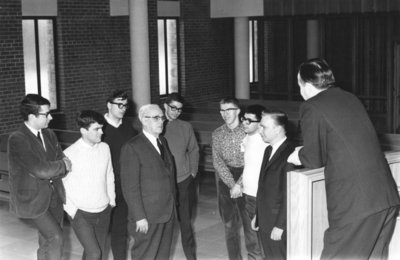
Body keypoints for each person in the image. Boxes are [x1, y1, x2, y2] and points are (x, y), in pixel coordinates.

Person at [287, 58, 400, 259]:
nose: (299, 90)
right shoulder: (349, 98)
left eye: (299, 84)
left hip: (356, 206)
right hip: (385, 198)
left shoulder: (311, 106)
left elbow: (313, 159)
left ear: (306, 84)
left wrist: (298, 154)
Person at [8, 94, 71, 260]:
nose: (50, 117)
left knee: (46, 242)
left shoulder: (49, 134)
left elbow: (61, 159)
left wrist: (60, 166)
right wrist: (62, 165)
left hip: (54, 196)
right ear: (31, 116)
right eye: (46, 114)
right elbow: (40, 170)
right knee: (55, 237)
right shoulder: (18, 138)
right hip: (33, 199)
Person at [120, 104, 176, 260]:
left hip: (167, 211)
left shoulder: (162, 141)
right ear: (144, 120)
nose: (161, 121)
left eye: (162, 118)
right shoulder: (132, 147)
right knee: (145, 255)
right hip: (147, 215)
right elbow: (130, 187)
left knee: (162, 255)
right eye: (156, 118)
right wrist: (139, 216)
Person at [63, 110, 115, 260]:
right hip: (81, 213)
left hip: (104, 210)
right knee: (94, 253)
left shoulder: (105, 148)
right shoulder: (69, 154)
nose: (102, 132)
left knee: (95, 252)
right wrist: (73, 211)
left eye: (102, 128)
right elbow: (61, 186)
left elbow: (109, 175)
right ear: (83, 131)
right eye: (96, 129)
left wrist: (111, 201)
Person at [212, 97, 260, 260]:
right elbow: (217, 161)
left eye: (229, 110)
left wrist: (239, 184)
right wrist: (232, 184)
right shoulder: (217, 133)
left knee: (249, 225)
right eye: (222, 111)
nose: (225, 114)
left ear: (238, 111)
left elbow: (253, 161)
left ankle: (254, 257)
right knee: (229, 225)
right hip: (225, 180)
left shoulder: (248, 131)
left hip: (246, 176)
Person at [252, 111, 295, 260]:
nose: (259, 130)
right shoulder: (268, 149)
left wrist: (280, 225)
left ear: (277, 129)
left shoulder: (290, 154)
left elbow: (290, 194)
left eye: (263, 127)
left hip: (278, 222)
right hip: (265, 218)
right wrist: (258, 215)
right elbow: (263, 186)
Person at [163, 93, 199, 260]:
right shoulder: (156, 125)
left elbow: (194, 150)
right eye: (173, 108)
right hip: (162, 184)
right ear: (165, 106)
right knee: (164, 224)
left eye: (179, 109)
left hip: (183, 180)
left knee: (185, 223)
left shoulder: (186, 127)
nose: (176, 112)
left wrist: (192, 172)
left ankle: (191, 256)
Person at [102, 90, 137, 260]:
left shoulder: (128, 128)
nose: (123, 108)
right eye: (119, 104)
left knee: (120, 230)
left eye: (125, 105)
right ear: (109, 105)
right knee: (99, 233)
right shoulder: (99, 128)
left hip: (123, 187)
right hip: (103, 187)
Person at [240, 104, 268, 259]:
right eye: (243, 119)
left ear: (260, 122)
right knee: (251, 238)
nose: (244, 122)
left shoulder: (265, 141)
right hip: (247, 193)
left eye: (249, 120)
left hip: (260, 195)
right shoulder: (246, 138)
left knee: (263, 237)